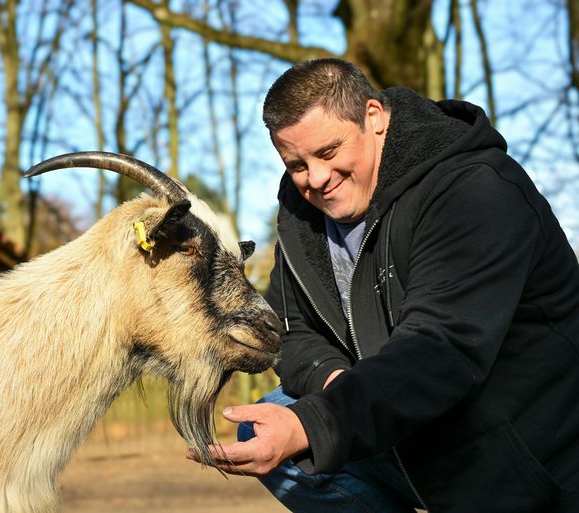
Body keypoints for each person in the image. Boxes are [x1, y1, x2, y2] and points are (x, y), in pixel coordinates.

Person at [186, 58, 579, 513]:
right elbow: (291, 329)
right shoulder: (302, 211)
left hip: (523, 459)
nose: (316, 179)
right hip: (405, 430)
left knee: (302, 426)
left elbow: (438, 351)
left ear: (373, 117)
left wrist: (315, 424)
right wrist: (333, 382)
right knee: (265, 421)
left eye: (329, 152)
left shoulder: (477, 191)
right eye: (297, 164)